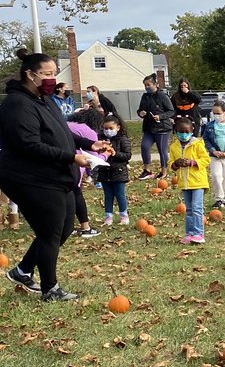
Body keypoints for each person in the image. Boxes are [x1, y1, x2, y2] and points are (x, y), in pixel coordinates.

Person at [0, 49, 91, 301]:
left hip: (57, 175)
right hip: (29, 177)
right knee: (50, 231)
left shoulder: (44, 99)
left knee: (64, 228)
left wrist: (88, 144)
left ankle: (22, 270)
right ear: (30, 74)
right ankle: (50, 289)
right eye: (46, 74)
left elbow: (61, 131)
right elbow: (28, 144)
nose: (52, 78)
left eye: (54, 73)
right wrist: (70, 157)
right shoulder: (16, 105)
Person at [169, 116, 210, 244]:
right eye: (181, 132)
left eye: (187, 132)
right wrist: (176, 163)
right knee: (189, 209)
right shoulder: (174, 146)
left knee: (197, 208)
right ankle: (189, 233)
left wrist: (192, 162)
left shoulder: (197, 144)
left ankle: (199, 233)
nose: (184, 134)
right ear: (176, 131)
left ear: (192, 130)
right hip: (184, 183)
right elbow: (170, 163)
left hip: (198, 182)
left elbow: (206, 160)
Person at [94, 112, 132, 226]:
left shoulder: (122, 139)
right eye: (105, 128)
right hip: (105, 172)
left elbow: (127, 155)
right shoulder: (101, 139)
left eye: (111, 128)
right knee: (108, 195)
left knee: (120, 195)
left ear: (118, 127)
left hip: (118, 172)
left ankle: (123, 215)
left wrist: (115, 154)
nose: (108, 130)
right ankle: (108, 216)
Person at [201, 101, 225, 209]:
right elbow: (206, 139)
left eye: (218, 113)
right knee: (216, 177)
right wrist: (213, 151)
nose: (216, 115)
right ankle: (218, 199)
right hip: (215, 157)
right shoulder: (209, 126)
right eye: (214, 113)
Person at [137, 74, 174, 180]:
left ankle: (164, 171)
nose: (147, 87)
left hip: (162, 128)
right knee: (144, 146)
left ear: (155, 85)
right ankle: (147, 170)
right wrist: (141, 113)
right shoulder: (145, 97)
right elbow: (140, 109)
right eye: (145, 85)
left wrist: (160, 116)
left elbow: (171, 111)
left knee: (162, 150)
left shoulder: (163, 96)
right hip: (148, 127)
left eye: (149, 85)